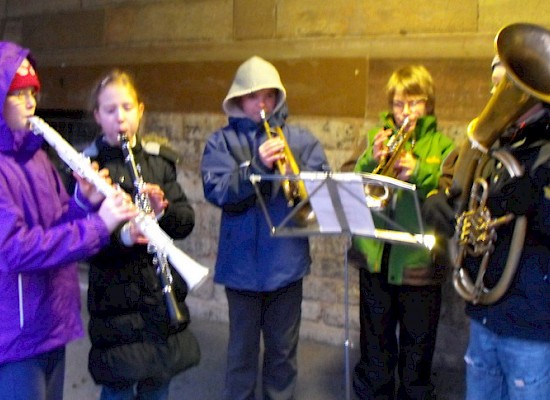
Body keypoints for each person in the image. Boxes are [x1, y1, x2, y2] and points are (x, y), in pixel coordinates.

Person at [0, 42, 136, 400]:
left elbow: (58, 224)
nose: (31, 103)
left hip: (50, 320)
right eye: (17, 95)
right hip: (16, 333)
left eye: (33, 92)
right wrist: (99, 225)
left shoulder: (37, 157)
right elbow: (16, 249)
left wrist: (85, 202)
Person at [200, 55, 329, 400]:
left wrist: (296, 176)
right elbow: (218, 191)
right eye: (254, 96)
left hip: (286, 265)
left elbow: (320, 193)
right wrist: (257, 166)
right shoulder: (221, 142)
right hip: (241, 268)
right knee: (241, 356)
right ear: (239, 99)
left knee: (282, 355)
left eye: (269, 96)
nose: (262, 104)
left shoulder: (301, 140)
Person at [422, 54, 550, 400]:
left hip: (532, 322)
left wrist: (539, 208)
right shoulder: (485, 142)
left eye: (508, 89)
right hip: (483, 312)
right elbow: (453, 183)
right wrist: (439, 199)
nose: (497, 100)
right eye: (496, 88)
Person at [84, 69, 200, 400]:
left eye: (127, 107)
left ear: (140, 110)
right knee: (118, 388)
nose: (120, 117)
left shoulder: (158, 163)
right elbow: (83, 243)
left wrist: (162, 211)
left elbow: (185, 222)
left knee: (157, 384)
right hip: (115, 303)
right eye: (110, 110)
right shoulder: (88, 169)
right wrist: (121, 236)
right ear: (97, 116)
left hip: (157, 298)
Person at [350, 65, 455, 399]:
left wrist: (419, 171)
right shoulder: (374, 139)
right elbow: (348, 179)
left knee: (416, 355)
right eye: (398, 104)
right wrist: (372, 160)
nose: (405, 112)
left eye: (414, 102)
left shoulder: (445, 146)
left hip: (418, 266)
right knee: (375, 348)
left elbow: (451, 194)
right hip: (375, 261)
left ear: (429, 104)